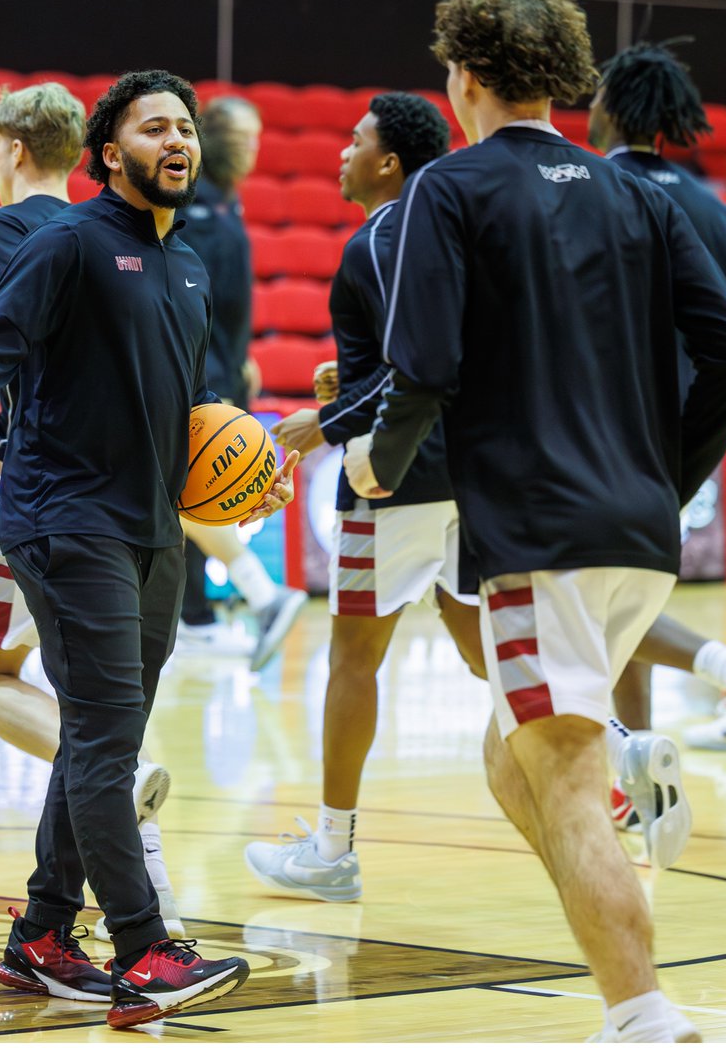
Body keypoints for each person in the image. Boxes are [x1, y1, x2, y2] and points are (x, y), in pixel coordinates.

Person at [344, 0, 726, 1043]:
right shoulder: (635, 193)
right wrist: (672, 470)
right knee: (507, 756)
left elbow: (421, 363)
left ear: (463, 76)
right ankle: (616, 856)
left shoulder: (450, 189)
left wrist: (381, 463)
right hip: (639, 536)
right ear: (557, 75)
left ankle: (644, 1015)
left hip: (537, 535)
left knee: (559, 779)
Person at [0, 70, 297, 1029]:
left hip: (154, 527)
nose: (179, 141)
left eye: (187, 128)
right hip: (65, 521)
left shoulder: (190, 265)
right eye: (156, 128)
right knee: (109, 743)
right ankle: (145, 949)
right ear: (110, 154)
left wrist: (253, 481)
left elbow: (195, 416)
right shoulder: (69, 241)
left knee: (94, 740)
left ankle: (39, 935)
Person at [0, 81, 186, 941]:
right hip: (127, 490)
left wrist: (4, 428)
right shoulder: (132, 233)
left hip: (52, 494)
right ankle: (50, 920)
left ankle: (118, 801)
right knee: (89, 711)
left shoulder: (7, 227)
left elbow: (22, 338)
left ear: (10, 147)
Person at [245, 92, 490, 901]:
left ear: (388, 162)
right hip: (476, 473)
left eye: (355, 142)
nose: (341, 154)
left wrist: (327, 419)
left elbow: (412, 368)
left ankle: (332, 850)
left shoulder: (385, 236)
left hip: (396, 475)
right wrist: (345, 385)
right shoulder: (460, 225)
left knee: (352, 659)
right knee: (484, 644)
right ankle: (623, 750)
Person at [587, 41, 726, 760]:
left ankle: (718, 669)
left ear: (608, 107)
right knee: (628, 595)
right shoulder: (713, 209)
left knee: (589, 607)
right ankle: (637, 762)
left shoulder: (593, 192)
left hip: (606, 431)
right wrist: (694, 453)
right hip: (691, 436)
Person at [176, 95, 307, 670]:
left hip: (222, 368)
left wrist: (242, 354)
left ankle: (198, 616)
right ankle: (256, 596)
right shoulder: (196, 209)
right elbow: (191, 304)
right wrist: (212, 379)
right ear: (217, 139)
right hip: (200, 375)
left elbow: (225, 303)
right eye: (245, 137)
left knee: (184, 500)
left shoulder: (227, 206)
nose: (255, 149)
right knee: (184, 501)